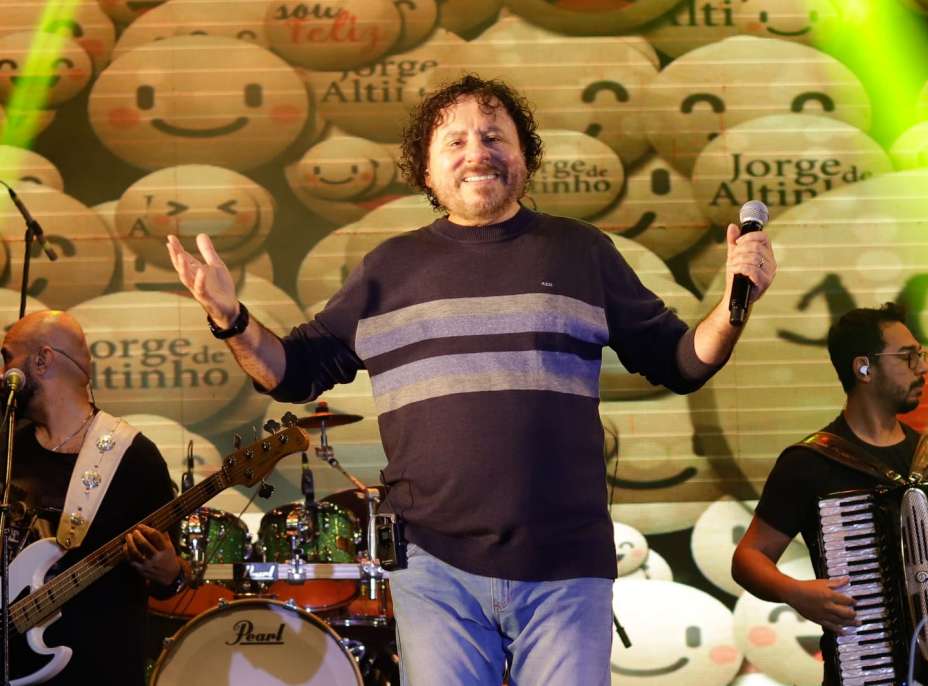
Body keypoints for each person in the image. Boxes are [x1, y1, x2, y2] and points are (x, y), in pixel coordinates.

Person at [167, 74, 777, 685]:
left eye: (493, 136)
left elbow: (679, 362)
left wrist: (733, 305)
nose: (476, 153)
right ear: (426, 171)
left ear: (524, 156)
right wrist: (230, 317)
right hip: (434, 565)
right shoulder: (389, 269)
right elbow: (292, 373)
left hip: (566, 560)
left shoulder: (581, 252)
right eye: (454, 142)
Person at [731, 303, 928, 685]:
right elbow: (748, 557)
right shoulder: (809, 463)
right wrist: (795, 592)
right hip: (867, 670)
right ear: (863, 368)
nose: (922, 367)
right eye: (908, 356)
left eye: (920, 354)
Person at [2, 310, 187, 685]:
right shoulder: (7, 446)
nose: (2, 372)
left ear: (42, 360)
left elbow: (173, 579)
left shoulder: (133, 456)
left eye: (7, 358)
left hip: (99, 671)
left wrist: (168, 570)